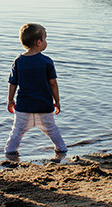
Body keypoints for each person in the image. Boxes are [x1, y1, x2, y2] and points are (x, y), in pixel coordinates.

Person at [4, 23, 68, 156]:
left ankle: (10, 152)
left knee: (16, 132)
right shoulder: (46, 61)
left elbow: (12, 83)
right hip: (43, 105)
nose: (46, 42)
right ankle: (61, 149)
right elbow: (53, 84)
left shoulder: (18, 61)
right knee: (52, 130)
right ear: (39, 42)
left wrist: (10, 100)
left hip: (23, 106)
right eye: (45, 39)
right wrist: (57, 101)